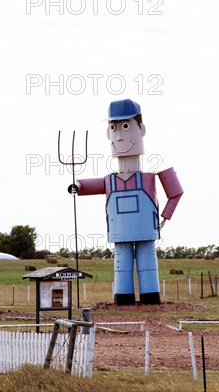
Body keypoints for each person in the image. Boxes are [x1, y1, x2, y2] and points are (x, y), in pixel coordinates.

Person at [70, 99, 183, 305]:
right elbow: (87, 186)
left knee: (147, 262)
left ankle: (150, 296)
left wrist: (165, 216)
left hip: (145, 230)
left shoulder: (149, 177)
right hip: (120, 231)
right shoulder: (109, 180)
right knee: (121, 264)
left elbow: (176, 192)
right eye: (113, 128)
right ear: (108, 134)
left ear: (141, 130)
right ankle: (123, 296)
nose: (120, 136)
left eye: (125, 126)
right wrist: (76, 184)